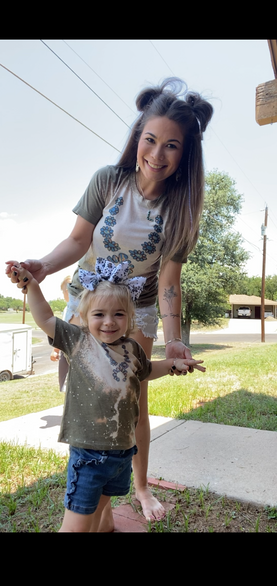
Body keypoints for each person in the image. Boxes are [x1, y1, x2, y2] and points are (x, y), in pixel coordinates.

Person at [6, 77, 213, 525]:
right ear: (137, 138)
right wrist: (41, 265)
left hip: (135, 308)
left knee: (130, 395)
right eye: (150, 139)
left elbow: (169, 281)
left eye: (172, 146)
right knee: (87, 392)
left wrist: (174, 341)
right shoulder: (107, 181)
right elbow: (78, 240)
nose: (157, 155)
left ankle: (137, 487)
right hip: (88, 303)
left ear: (186, 154)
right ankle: (89, 494)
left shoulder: (183, 208)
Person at [9, 259, 205, 532]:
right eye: (99, 314)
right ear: (86, 315)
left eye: (119, 314)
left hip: (122, 453)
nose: (109, 322)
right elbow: (45, 318)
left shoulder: (133, 349)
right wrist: (31, 284)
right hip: (89, 454)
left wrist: (173, 365)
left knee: (100, 512)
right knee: (77, 525)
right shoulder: (77, 341)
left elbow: (147, 370)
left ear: (130, 317)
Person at [50, 275, 71, 391]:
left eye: (63, 292)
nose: (63, 295)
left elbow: (64, 332)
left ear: (67, 291)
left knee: (69, 384)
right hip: (67, 351)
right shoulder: (67, 309)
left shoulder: (71, 309)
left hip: (69, 352)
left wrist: (56, 349)